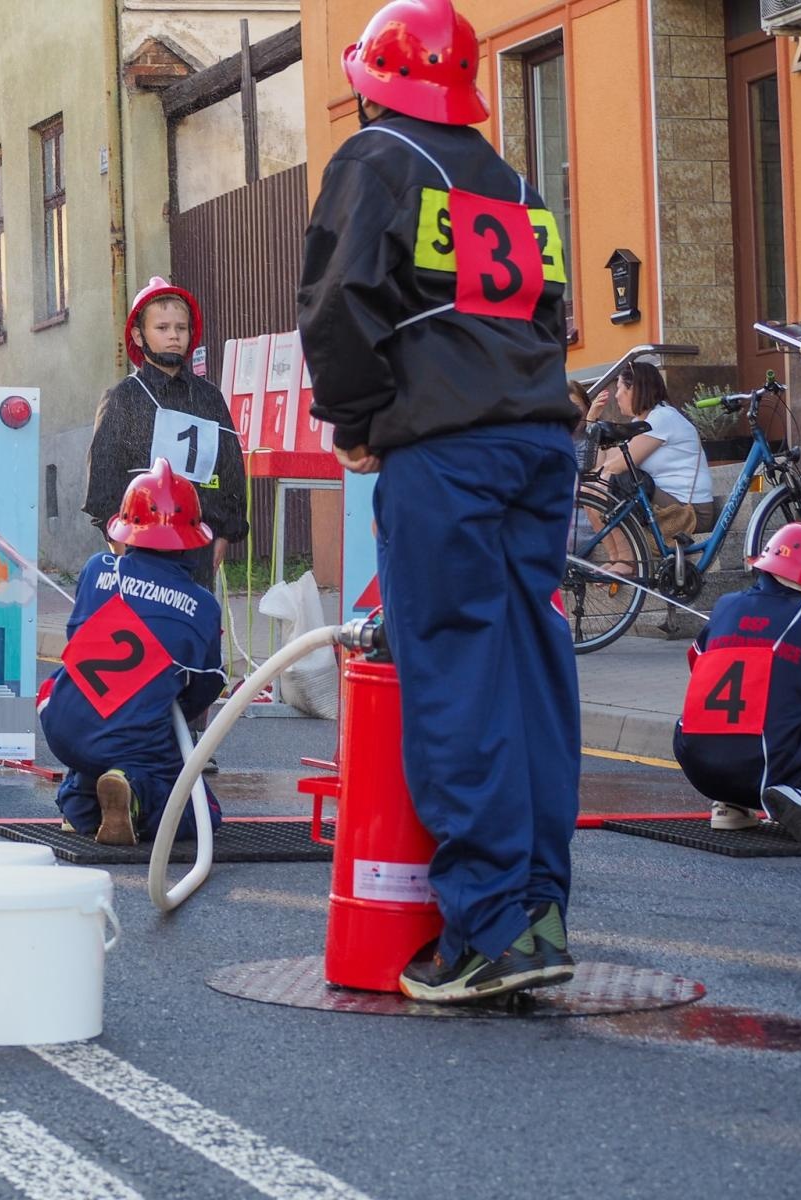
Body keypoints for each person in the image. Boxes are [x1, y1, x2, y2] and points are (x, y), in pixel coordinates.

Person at [297, 0, 580, 1003]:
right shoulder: (512, 183)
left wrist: (357, 418)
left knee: (457, 675)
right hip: (537, 444)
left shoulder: (376, 159)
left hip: (447, 455)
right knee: (531, 673)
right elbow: (550, 312)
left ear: (373, 83)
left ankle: (491, 928)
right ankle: (539, 912)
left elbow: (338, 303)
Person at [39, 459, 224, 845]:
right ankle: (135, 795)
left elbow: (77, 639)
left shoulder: (97, 569)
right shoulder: (202, 606)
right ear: (192, 539)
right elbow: (204, 688)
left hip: (62, 724)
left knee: (97, 718)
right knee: (202, 812)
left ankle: (80, 802)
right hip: (131, 739)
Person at [83, 276, 248, 589]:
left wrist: (226, 534)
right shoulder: (123, 398)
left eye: (181, 328)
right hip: (138, 547)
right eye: (162, 328)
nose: (174, 336)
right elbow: (103, 478)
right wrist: (116, 540)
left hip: (198, 545)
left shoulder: (209, 397)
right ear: (138, 335)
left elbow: (230, 469)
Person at [673, 522, 801, 840]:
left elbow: (696, 663)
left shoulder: (726, 604)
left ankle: (730, 804)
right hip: (768, 761)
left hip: (697, 763)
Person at [590, 360, 713, 536]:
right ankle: (618, 552)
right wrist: (592, 421)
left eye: (619, 388)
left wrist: (596, 482)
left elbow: (618, 465)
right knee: (597, 487)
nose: (616, 396)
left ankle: (626, 553)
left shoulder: (662, 417)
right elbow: (605, 461)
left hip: (690, 513)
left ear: (634, 389)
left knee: (620, 480)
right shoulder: (640, 422)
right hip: (666, 505)